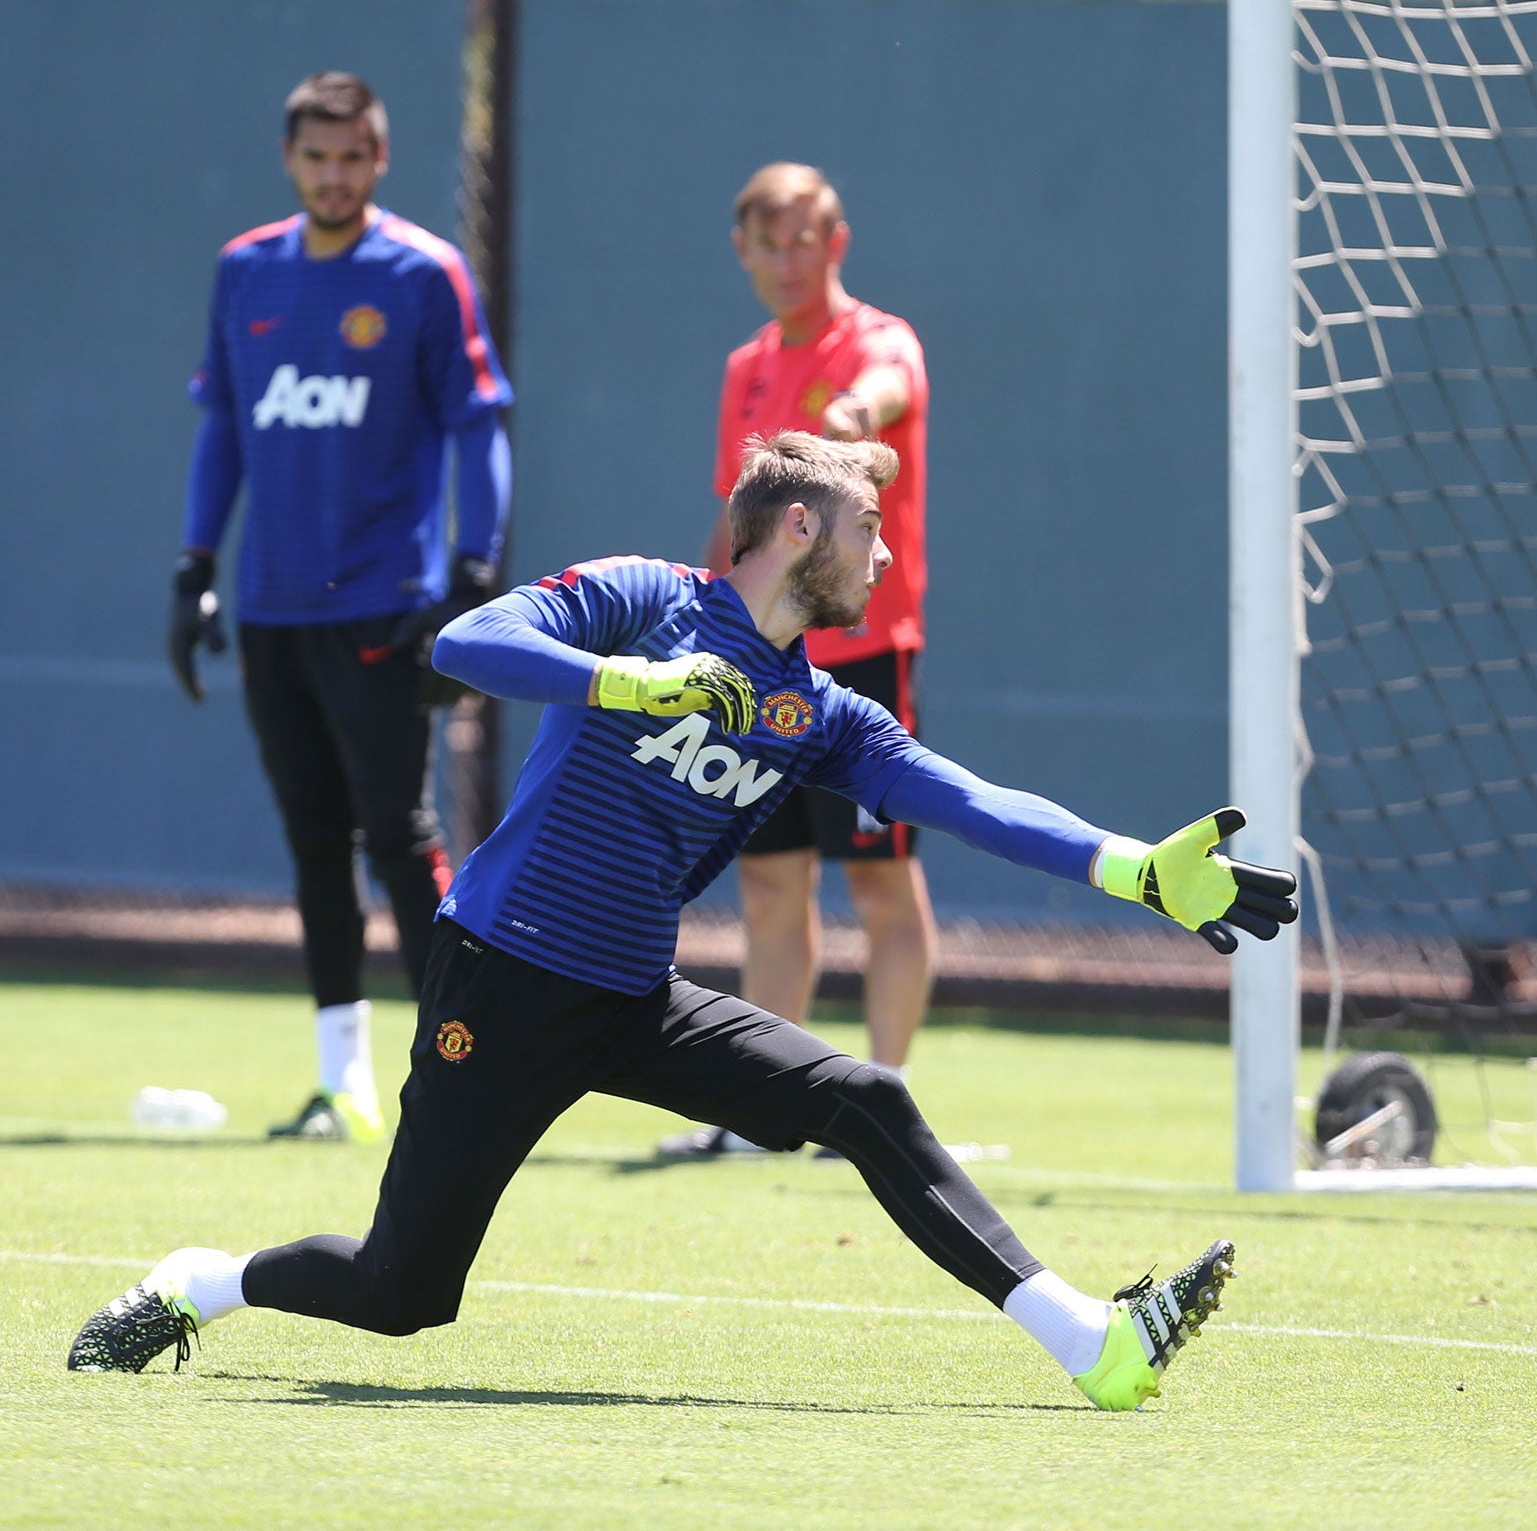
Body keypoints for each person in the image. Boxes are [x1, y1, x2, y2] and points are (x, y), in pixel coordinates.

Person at [69, 432, 1295, 1412]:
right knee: (402, 1294)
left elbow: (971, 801)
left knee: (865, 1100)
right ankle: (200, 1283)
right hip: (499, 982)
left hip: (631, 1000)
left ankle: (1089, 1340)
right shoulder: (645, 599)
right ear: (798, 527)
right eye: (871, 525)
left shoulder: (819, 712)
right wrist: (626, 681)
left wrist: (1134, 869)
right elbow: (463, 641)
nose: (886, 553)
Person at [169, 72, 514, 1143]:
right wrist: (194, 567)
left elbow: (479, 421)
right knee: (311, 841)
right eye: (315, 157)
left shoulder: (422, 272)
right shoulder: (247, 270)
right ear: (290, 159)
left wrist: (470, 572)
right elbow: (224, 428)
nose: (333, 175)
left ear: (380, 159)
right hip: (272, 610)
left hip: (381, 607)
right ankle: (340, 1085)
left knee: (397, 836)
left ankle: (455, 1070)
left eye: (351, 157)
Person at [660, 164, 932, 1161]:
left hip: (862, 661)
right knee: (771, 888)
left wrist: (853, 420)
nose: (787, 259)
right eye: (767, 243)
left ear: (836, 243)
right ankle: (766, 1113)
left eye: (803, 240)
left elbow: (886, 391)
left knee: (880, 891)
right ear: (742, 252)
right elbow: (739, 518)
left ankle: (887, 1107)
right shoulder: (745, 369)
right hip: (762, 667)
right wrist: (698, 623)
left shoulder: (876, 340)